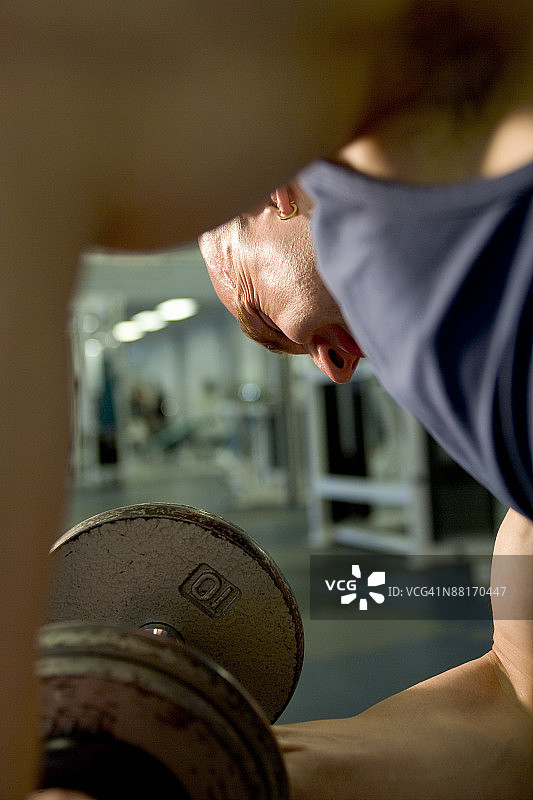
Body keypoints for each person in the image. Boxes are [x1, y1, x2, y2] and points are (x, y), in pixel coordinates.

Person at [3, 1, 532, 797]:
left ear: (269, 190)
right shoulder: (486, 407)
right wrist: (223, 766)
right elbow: (518, 702)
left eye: (258, 310)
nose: (334, 371)